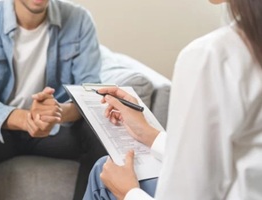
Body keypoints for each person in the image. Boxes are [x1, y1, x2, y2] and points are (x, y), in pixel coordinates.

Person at [83, 0, 262, 199]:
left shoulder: (213, 55)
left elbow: (188, 192)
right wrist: (150, 134)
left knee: (105, 175)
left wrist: (129, 193)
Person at [0, 0, 107, 200]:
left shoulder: (80, 20)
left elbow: (90, 94)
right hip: (0, 130)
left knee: (102, 133)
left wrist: (56, 112)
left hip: (55, 129)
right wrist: (23, 118)